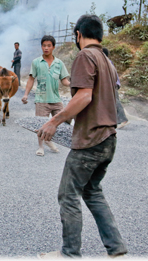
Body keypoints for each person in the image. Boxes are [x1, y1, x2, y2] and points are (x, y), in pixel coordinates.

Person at [37, 15, 128, 258]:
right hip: (109, 138)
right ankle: (116, 248)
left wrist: (55, 121)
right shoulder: (107, 60)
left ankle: (69, 253)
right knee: (92, 191)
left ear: (78, 34)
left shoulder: (86, 56)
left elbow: (84, 96)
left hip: (92, 139)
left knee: (68, 195)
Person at [22, 35, 70, 156]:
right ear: (41, 47)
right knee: (40, 124)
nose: (46, 48)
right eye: (44, 45)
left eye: (49, 46)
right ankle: (41, 147)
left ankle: (49, 140)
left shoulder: (59, 63)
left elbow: (64, 81)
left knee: (63, 121)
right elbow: (31, 80)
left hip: (56, 99)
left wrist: (73, 84)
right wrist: (26, 95)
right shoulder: (36, 62)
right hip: (41, 99)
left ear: (53, 47)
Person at [102, 47, 128, 129]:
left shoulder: (106, 62)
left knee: (115, 101)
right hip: (113, 84)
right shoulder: (108, 61)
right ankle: (113, 121)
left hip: (112, 84)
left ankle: (123, 120)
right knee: (111, 101)